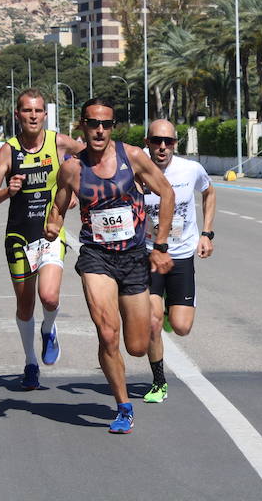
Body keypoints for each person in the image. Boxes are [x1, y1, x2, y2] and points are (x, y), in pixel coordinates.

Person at [45, 98, 175, 434]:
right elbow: (60, 203)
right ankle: (123, 407)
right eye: (92, 123)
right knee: (106, 332)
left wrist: (160, 245)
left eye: (105, 124)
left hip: (132, 257)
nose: (99, 130)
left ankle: (142, 348)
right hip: (96, 256)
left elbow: (166, 192)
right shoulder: (73, 168)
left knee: (136, 344)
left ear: (112, 127)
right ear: (83, 126)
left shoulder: (131, 156)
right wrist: (53, 223)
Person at [0, 89, 85, 391]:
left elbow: (90, 156)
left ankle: (49, 329)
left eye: (38, 110)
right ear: (18, 114)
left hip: (50, 232)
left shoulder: (58, 142)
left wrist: (76, 190)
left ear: (44, 114)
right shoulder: (7, 150)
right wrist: (7, 191)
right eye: (27, 111)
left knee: (49, 296)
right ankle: (30, 363)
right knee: (24, 305)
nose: (33, 116)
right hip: (18, 236)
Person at [140, 119, 216, 404]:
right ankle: (159, 381)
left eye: (168, 142)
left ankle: (173, 312)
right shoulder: (138, 168)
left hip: (181, 254)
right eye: (156, 141)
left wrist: (206, 233)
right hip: (147, 254)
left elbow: (209, 192)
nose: (162, 147)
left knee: (182, 327)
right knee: (151, 322)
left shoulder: (190, 170)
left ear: (175, 143)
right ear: (147, 142)